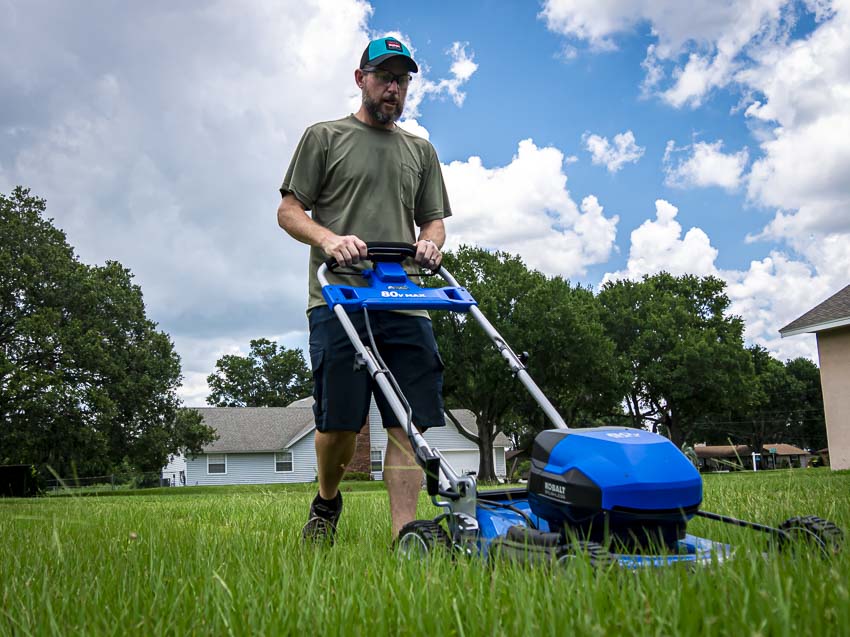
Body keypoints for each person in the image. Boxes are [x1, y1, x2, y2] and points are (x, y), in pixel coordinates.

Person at [277, 37, 452, 545]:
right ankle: (328, 499)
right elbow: (289, 210)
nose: (394, 87)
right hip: (341, 300)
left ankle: (406, 536)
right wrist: (330, 239)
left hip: (405, 301)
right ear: (361, 79)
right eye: (384, 76)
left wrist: (429, 245)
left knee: (407, 423)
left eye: (402, 79)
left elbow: (434, 222)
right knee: (339, 426)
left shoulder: (420, 150)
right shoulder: (325, 136)